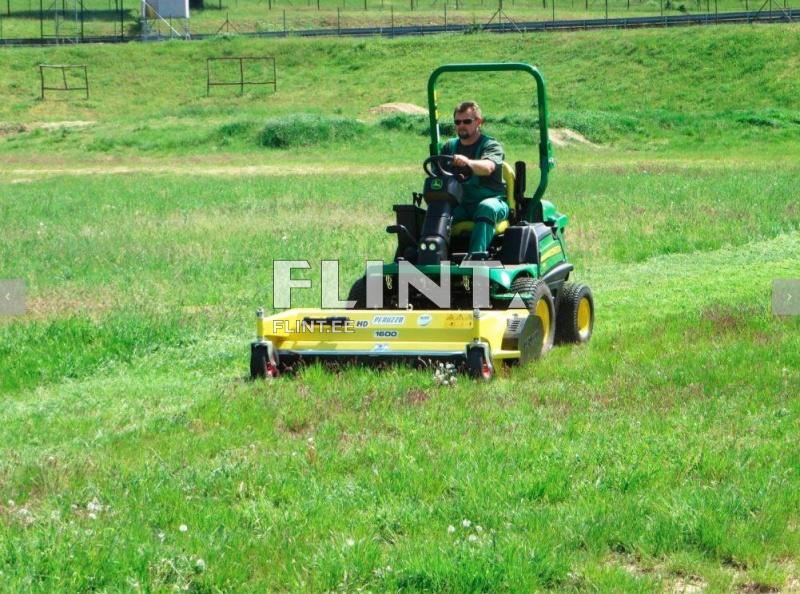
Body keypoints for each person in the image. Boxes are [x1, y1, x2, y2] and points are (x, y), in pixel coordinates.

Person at [440, 100, 508, 257]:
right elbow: (439, 172)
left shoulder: (491, 145)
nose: (461, 125)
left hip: (493, 201)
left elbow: (488, 167)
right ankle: (429, 257)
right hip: (462, 204)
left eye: (467, 121)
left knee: (486, 207)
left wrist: (468, 162)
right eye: (457, 122)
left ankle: (475, 259)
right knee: (438, 211)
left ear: (479, 122)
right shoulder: (449, 147)